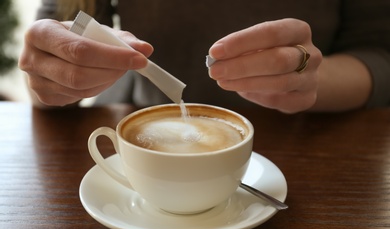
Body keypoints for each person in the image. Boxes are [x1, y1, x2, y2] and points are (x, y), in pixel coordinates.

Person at [18, 0, 390, 113]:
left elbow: (379, 54)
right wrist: (51, 75)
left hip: (311, 154)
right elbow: (55, 37)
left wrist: (307, 77)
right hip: (138, 127)